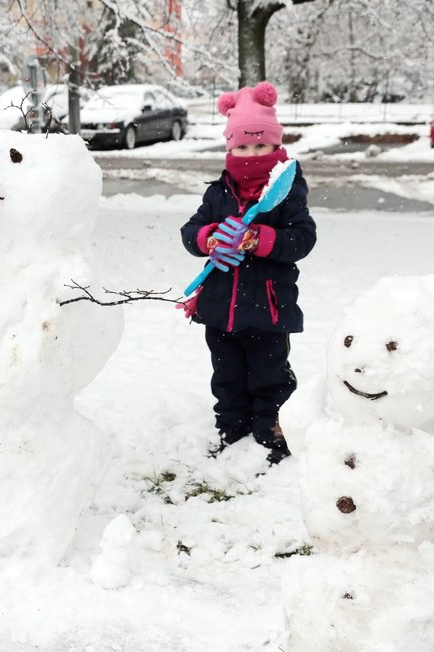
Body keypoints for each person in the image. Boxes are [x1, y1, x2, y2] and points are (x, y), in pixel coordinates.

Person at [179, 81, 316, 466]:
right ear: (229, 149)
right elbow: (190, 232)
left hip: (269, 310)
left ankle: (272, 432)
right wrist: (208, 240)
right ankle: (232, 428)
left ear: (276, 148)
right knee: (226, 377)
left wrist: (257, 238)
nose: (250, 153)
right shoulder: (218, 193)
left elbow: (302, 239)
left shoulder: (286, 191)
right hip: (219, 308)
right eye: (241, 146)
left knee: (269, 375)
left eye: (260, 146)